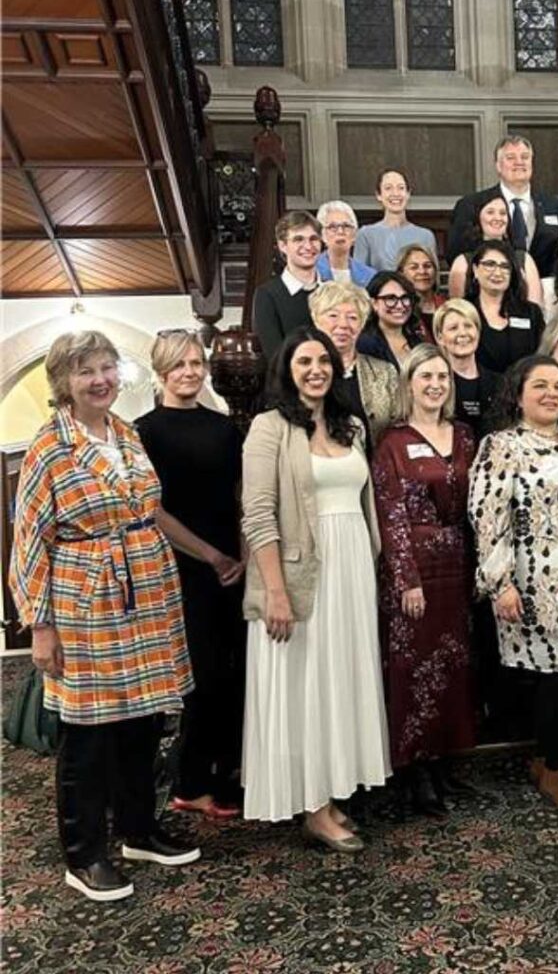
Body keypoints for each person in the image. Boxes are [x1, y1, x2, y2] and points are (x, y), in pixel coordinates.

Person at [10, 331, 198, 902]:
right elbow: (28, 539)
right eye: (86, 371)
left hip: (146, 588)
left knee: (142, 721)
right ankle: (84, 852)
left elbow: (149, 509)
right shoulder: (50, 447)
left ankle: (138, 830)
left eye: (108, 368)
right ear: (64, 383)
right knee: (88, 734)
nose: (101, 380)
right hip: (83, 599)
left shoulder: (127, 434)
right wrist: (40, 624)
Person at [240, 327, 390, 849]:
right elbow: (257, 515)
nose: (315, 370)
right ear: (287, 369)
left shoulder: (351, 426)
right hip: (301, 573)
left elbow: (366, 502)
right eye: (304, 361)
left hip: (352, 569)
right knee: (305, 684)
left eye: (323, 361)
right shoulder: (269, 428)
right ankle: (312, 805)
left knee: (339, 681)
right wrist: (275, 592)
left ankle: (332, 790)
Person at [469, 356, 558, 815]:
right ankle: (555, 770)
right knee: (553, 677)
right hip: (534, 578)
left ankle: (549, 759)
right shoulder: (501, 445)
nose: (552, 394)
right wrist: (500, 583)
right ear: (518, 394)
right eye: (540, 386)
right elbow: (488, 518)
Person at [136, 331, 246, 820]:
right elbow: (153, 511)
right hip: (185, 568)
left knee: (232, 673)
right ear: (161, 371)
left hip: (232, 566)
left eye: (197, 363)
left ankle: (225, 774)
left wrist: (240, 554)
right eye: (179, 365)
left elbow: (243, 495)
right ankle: (190, 782)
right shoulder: (144, 431)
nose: (190, 372)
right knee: (197, 678)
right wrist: (212, 556)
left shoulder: (224, 427)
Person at [372, 345, 477, 815]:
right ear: (408, 383)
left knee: (453, 667)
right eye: (426, 376)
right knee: (414, 669)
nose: (435, 384)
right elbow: (389, 514)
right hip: (415, 570)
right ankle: (416, 770)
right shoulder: (392, 441)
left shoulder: (465, 435)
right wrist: (405, 579)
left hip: (457, 566)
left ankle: (445, 762)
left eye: (442, 377)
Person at [447, 135, 558, 276]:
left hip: (547, 290)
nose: (519, 162)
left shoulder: (556, 206)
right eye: (511, 158)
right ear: (498, 166)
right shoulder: (471, 205)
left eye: (525, 157)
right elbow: (456, 255)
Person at [309, 280, 398, 444]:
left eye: (352, 317)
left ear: (362, 324)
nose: (343, 324)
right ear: (316, 320)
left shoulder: (385, 372)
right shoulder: (302, 372)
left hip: (375, 464)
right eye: (333, 315)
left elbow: (399, 429)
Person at [447, 194, 544, 305]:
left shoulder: (524, 259)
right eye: (490, 212)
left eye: (503, 213)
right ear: (478, 217)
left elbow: (535, 307)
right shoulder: (463, 262)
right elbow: (458, 308)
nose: (498, 218)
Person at [465, 240, 545, 373]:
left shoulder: (530, 312)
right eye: (490, 265)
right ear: (475, 270)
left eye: (505, 266)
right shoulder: (463, 311)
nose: (498, 273)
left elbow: (541, 356)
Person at [253, 211, 323, 362]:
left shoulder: (332, 291)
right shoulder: (267, 295)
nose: (308, 246)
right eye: (299, 239)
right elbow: (275, 355)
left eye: (314, 239)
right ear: (283, 245)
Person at [432, 298, 501, 436]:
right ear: (440, 337)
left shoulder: (499, 383)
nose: (462, 333)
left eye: (468, 326)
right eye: (453, 328)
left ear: (478, 332)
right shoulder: (434, 384)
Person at [353, 168, 437, 270]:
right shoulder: (366, 234)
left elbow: (431, 275)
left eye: (401, 188)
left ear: (408, 193)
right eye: (388, 188)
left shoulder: (426, 236)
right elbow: (359, 276)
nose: (395, 193)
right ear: (379, 195)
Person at [357, 270, 425, 369]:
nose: (399, 305)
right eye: (390, 299)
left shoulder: (417, 341)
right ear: (374, 303)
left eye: (405, 298)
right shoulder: (364, 344)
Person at [315, 199, 376, 288]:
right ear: (322, 235)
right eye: (332, 227)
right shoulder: (311, 271)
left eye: (346, 226)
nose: (340, 231)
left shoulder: (370, 276)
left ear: (354, 234)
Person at [397, 242, 446, 338]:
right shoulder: (397, 310)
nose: (422, 271)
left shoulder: (448, 306)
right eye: (414, 267)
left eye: (427, 266)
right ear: (401, 273)